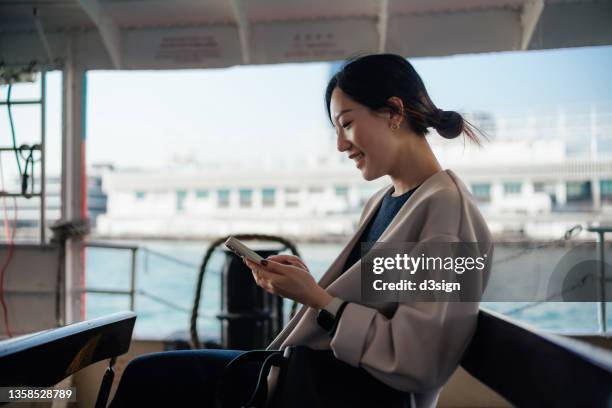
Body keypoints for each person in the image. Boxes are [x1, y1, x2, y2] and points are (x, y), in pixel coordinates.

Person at [110, 53, 493, 408]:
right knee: (149, 377)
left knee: (149, 378)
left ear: (393, 111)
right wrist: (310, 288)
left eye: (346, 124)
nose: (341, 144)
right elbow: (374, 305)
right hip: (320, 377)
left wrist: (316, 299)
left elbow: (418, 360)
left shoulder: (446, 211)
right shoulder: (386, 200)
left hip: (345, 393)